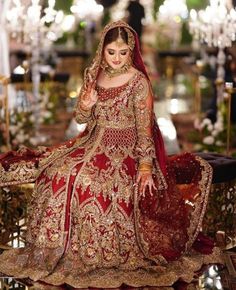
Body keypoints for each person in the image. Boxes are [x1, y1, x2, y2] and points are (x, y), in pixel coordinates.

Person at [0, 21, 221, 288]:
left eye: (122, 52)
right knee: (56, 172)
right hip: (94, 142)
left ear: (131, 52)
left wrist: (145, 168)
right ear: (102, 50)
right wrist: (85, 104)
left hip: (126, 149)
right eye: (111, 52)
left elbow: (145, 129)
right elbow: (81, 118)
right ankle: (57, 251)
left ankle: (95, 255)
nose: (116, 58)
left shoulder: (138, 82)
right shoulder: (94, 74)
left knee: (92, 183)